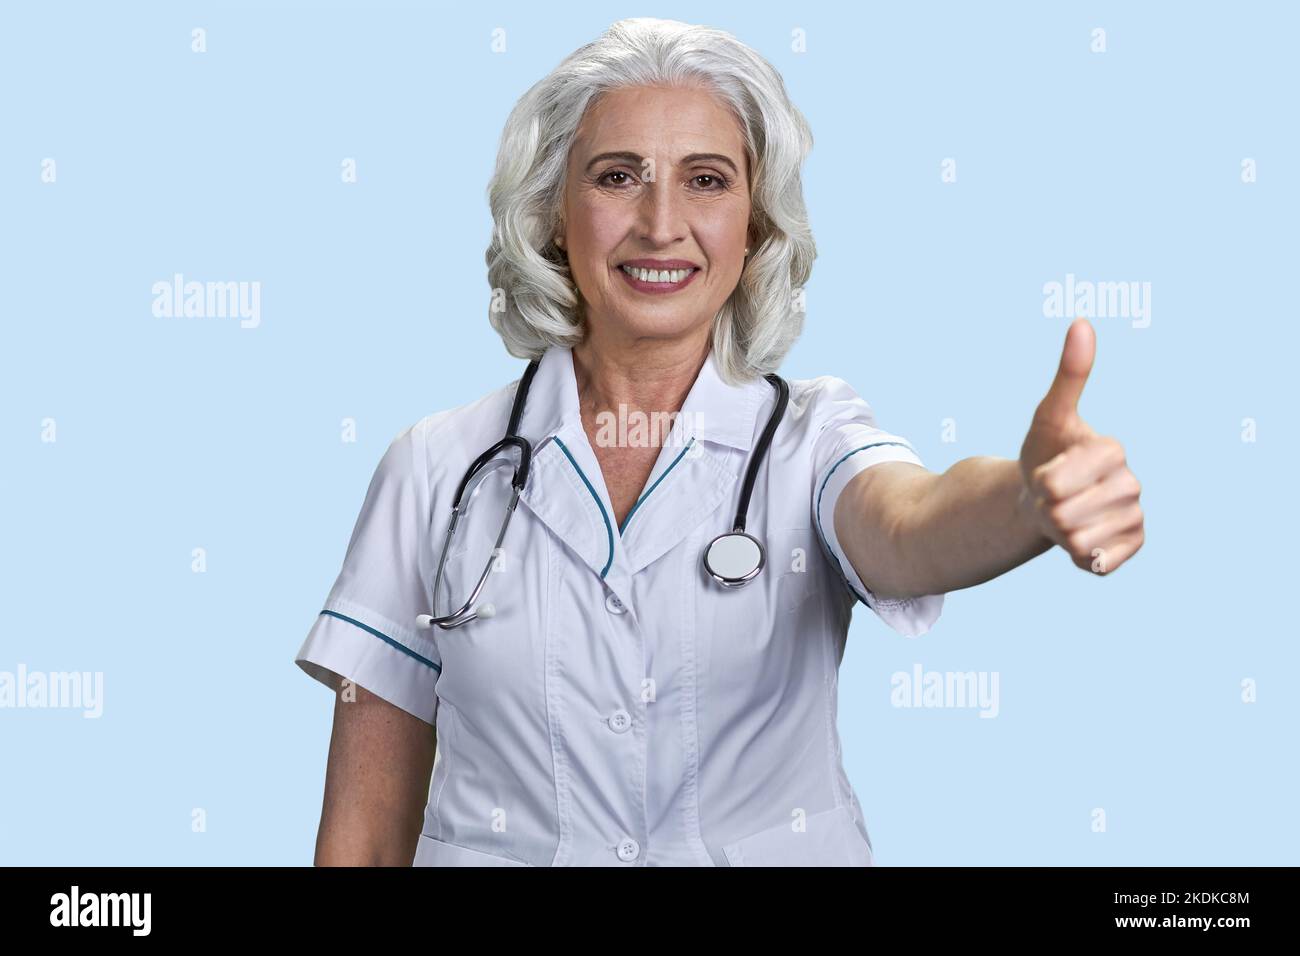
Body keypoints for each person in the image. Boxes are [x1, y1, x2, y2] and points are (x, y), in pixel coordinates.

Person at [295, 17, 1144, 866]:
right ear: (553, 214)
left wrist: (1028, 503)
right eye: (617, 176)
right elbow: (363, 841)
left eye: (707, 180)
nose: (661, 224)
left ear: (757, 225)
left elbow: (909, 525)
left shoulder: (811, 440)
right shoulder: (439, 467)